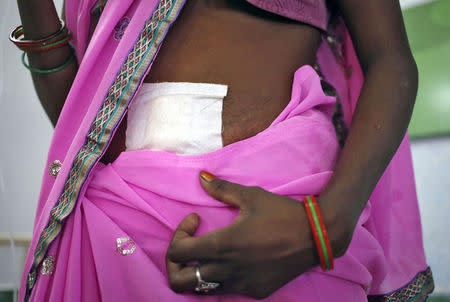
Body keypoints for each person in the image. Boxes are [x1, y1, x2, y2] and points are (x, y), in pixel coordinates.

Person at [14, 0, 434, 301]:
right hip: (112, 230)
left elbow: (389, 60)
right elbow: (79, 126)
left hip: (279, 229)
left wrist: (325, 229)